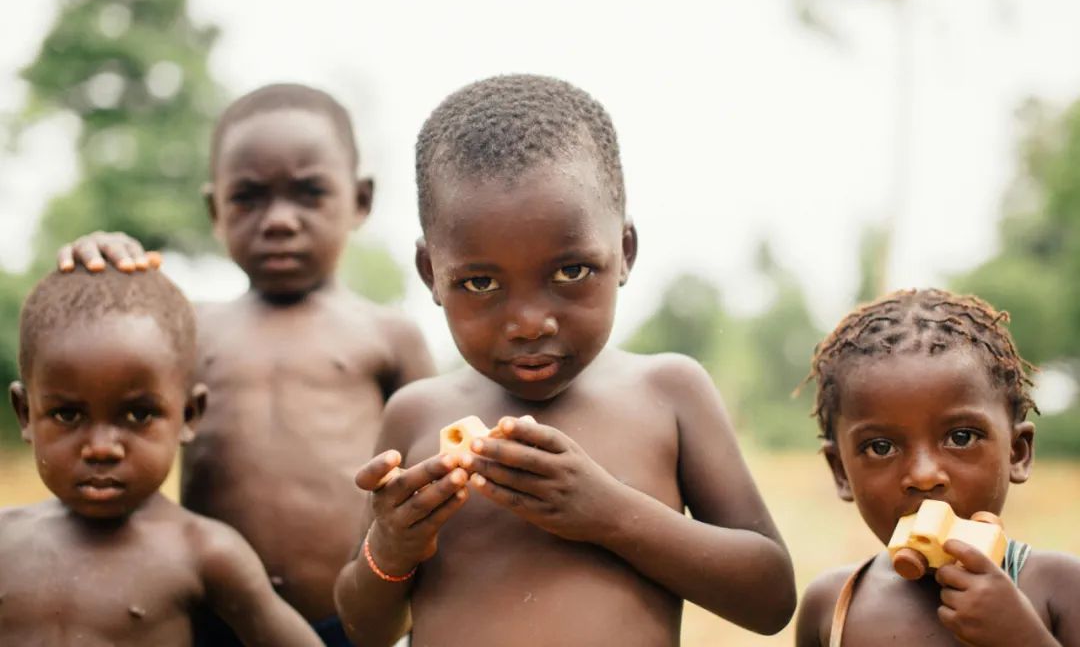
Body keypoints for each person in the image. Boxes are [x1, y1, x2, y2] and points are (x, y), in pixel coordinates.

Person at [333, 74, 797, 647]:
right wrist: (392, 549)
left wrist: (607, 512)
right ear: (432, 274)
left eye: (571, 272)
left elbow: (771, 597)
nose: (530, 322)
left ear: (624, 253)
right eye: (479, 282)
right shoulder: (417, 414)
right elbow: (365, 630)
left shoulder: (669, 392)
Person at [57, 83, 435, 645]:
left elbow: (433, 471)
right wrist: (103, 265)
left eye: (308, 193)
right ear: (215, 210)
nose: (279, 220)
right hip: (209, 613)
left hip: (356, 617)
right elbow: (96, 368)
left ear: (360, 200)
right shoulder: (184, 327)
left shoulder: (388, 335)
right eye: (249, 198)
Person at [0, 266, 323, 647]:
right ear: (25, 414)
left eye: (138, 414)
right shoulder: (5, 539)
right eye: (67, 415)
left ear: (188, 415)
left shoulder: (206, 553)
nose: (102, 448)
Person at [795, 288, 1080, 646]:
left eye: (961, 437)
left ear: (1017, 453)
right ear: (841, 472)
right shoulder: (830, 605)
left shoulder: (1061, 589)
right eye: (880, 447)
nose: (924, 475)